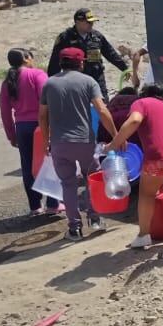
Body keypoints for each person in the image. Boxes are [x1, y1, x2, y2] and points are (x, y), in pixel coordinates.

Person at [39, 47, 117, 241]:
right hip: (84, 141)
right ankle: (95, 219)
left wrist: (46, 141)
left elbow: (42, 116)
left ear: (61, 63)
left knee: (68, 184)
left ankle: (74, 228)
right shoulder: (88, 81)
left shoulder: (49, 84)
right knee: (92, 179)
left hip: (60, 143)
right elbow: (102, 110)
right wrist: (116, 135)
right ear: (81, 63)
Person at [110, 84, 163, 249]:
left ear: (144, 94)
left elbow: (135, 120)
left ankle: (143, 236)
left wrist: (115, 143)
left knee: (147, 194)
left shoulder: (141, 103)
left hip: (158, 156)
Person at [0, 48, 60, 216]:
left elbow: (5, 112)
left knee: (28, 166)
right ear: (26, 58)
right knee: (49, 162)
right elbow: (48, 101)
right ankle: (53, 203)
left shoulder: (7, 82)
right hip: (41, 125)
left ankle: (35, 206)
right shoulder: (37, 74)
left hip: (22, 128)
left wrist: (11, 135)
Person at [46, 7, 128, 99]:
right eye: (88, 22)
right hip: (76, 81)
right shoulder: (65, 38)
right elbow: (55, 61)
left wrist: (125, 69)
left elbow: (111, 54)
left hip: (97, 79)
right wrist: (52, 84)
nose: (91, 24)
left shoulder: (97, 37)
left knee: (102, 104)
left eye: (92, 22)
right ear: (78, 22)